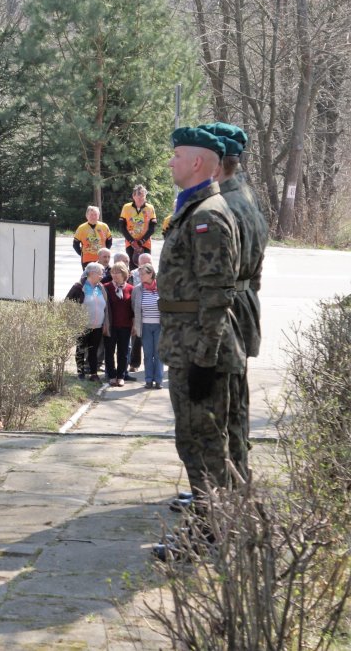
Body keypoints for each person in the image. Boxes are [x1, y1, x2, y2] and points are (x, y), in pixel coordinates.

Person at [153, 126, 242, 561]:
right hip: (187, 346)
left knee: (203, 445)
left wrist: (205, 358)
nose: (170, 161)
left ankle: (209, 535)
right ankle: (212, 530)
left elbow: (217, 291)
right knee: (193, 441)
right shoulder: (195, 209)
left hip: (199, 350)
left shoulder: (208, 215)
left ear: (197, 162)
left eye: (176, 155)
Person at [201, 122, 269, 483]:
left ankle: (225, 482)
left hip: (228, 310)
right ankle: (236, 475)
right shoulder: (247, 196)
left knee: (223, 404)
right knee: (235, 401)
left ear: (217, 162)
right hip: (243, 304)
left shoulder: (225, 203)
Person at [66, 263, 107, 382]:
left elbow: (105, 307)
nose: (102, 276)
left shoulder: (100, 288)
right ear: (92, 273)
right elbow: (67, 304)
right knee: (81, 350)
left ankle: (94, 373)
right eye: (100, 273)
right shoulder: (79, 287)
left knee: (93, 350)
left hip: (97, 326)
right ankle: (81, 373)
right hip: (82, 326)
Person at [102, 263, 134, 387]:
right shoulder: (106, 287)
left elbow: (133, 308)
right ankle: (111, 375)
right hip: (110, 326)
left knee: (123, 352)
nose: (114, 275)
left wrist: (134, 325)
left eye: (117, 272)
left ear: (124, 274)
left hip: (125, 326)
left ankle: (121, 376)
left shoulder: (131, 288)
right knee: (109, 351)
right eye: (113, 272)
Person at [131, 263, 163, 389]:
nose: (140, 276)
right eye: (139, 274)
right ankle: (148, 380)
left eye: (143, 274)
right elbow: (134, 306)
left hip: (159, 326)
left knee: (158, 354)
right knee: (148, 354)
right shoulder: (137, 289)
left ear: (151, 274)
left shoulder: (161, 288)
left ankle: (158, 380)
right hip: (145, 326)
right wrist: (135, 325)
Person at [119, 185, 157, 269]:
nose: (140, 198)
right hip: (130, 243)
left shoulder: (150, 208)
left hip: (145, 243)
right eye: (138, 195)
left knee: (146, 268)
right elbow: (122, 226)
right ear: (133, 196)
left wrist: (141, 242)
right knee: (133, 267)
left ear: (145, 196)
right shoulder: (126, 207)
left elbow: (152, 228)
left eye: (143, 195)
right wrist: (132, 241)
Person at [127, 253, 153, 372]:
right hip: (137, 311)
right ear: (138, 264)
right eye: (144, 263)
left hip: (152, 313)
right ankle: (134, 363)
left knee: (152, 341)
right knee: (136, 339)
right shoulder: (132, 275)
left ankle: (151, 364)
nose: (147, 265)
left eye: (149, 262)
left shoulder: (156, 274)